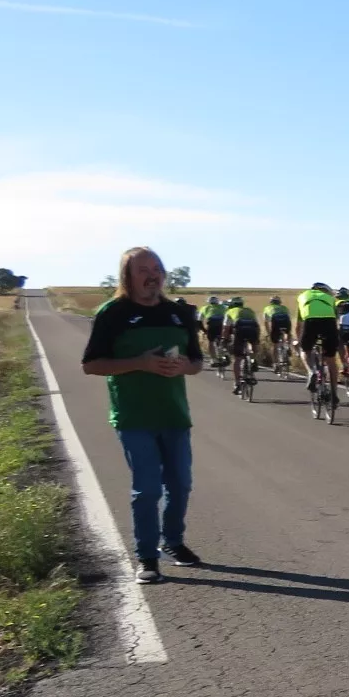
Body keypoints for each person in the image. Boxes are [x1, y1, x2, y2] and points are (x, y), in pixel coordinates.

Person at [81, 247, 205, 583]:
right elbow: (91, 365)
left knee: (180, 485)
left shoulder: (179, 314)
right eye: (143, 270)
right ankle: (148, 558)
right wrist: (140, 363)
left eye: (157, 268)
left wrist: (185, 366)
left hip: (175, 415)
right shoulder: (112, 313)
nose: (153, 275)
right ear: (128, 277)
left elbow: (196, 363)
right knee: (147, 489)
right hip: (134, 416)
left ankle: (174, 542)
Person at [295, 282, 339, 398]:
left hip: (310, 322)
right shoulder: (330, 298)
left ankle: (311, 372)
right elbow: (336, 320)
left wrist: (300, 341)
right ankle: (334, 394)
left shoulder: (303, 296)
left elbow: (299, 325)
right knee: (331, 360)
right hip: (329, 323)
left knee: (305, 350)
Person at [222, 296, 259, 394]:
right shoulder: (249, 310)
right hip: (253, 329)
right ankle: (253, 360)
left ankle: (237, 383)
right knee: (254, 345)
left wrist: (224, 340)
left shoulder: (230, 312)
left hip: (240, 331)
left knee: (237, 359)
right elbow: (257, 324)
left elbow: (226, 328)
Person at [262, 295, 292, 366]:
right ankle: (288, 345)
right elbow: (289, 318)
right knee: (288, 334)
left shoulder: (267, 308)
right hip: (286, 322)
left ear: (271, 302)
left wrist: (269, 333)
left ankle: (275, 363)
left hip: (276, 323)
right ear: (279, 302)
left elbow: (265, 322)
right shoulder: (284, 308)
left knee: (275, 345)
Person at [197, 295, 226, 360]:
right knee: (222, 341)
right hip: (221, 325)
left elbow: (199, 321)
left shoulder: (204, 308)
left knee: (211, 342)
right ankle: (223, 354)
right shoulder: (223, 307)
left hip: (211, 326)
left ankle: (213, 359)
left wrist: (204, 330)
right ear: (217, 302)